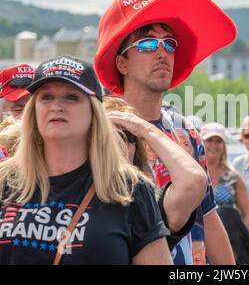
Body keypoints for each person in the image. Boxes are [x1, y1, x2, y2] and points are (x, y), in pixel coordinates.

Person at [94, 0, 237, 265]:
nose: (162, 52)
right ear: (121, 62)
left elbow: (207, 216)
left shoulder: (185, 131)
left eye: (169, 44)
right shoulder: (100, 129)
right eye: (148, 45)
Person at [0, 55, 172, 264]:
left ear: (94, 113)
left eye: (71, 97)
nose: (56, 106)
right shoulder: (5, 181)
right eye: (46, 97)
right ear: (33, 111)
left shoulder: (129, 188)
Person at [104, 96, 208, 250]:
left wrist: (145, 129)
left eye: (127, 135)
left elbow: (194, 182)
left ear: (136, 150)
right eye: (108, 134)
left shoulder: (146, 202)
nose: (119, 143)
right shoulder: (68, 190)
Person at [202, 122, 249, 229]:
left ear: (224, 145)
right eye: (209, 140)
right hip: (198, 241)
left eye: (218, 141)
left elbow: (248, 214)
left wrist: (240, 238)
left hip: (228, 241)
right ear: (201, 142)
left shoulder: (233, 177)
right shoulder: (193, 173)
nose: (213, 145)